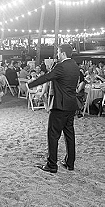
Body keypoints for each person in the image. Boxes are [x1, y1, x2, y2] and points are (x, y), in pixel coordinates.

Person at [28, 44, 79, 173]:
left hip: (60, 105)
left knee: (53, 134)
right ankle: (70, 162)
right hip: (71, 104)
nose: (57, 55)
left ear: (62, 53)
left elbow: (47, 77)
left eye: (58, 52)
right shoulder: (75, 66)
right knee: (69, 134)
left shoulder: (61, 66)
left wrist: (31, 84)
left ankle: (51, 164)